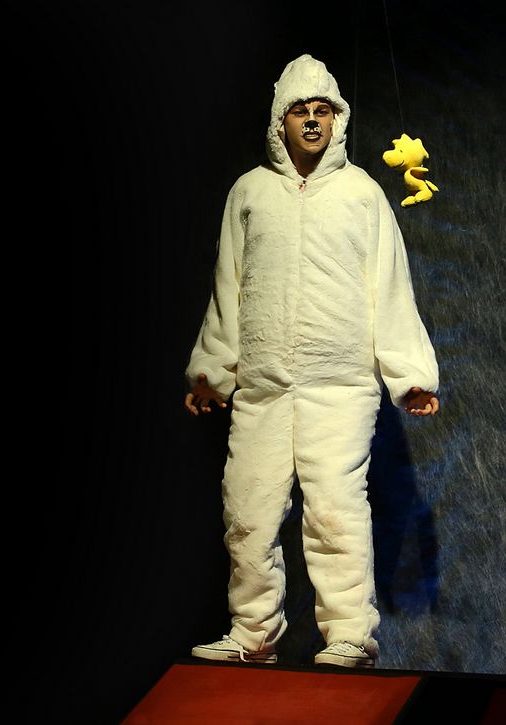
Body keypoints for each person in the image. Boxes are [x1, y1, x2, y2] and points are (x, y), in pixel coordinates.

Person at [183, 54, 440, 669]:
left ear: (338, 119)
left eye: (323, 110)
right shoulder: (250, 192)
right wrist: (211, 371)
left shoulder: (362, 193)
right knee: (247, 509)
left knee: (335, 513)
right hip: (264, 387)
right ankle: (252, 634)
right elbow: (229, 286)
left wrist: (410, 376)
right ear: (281, 120)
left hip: (341, 386)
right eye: (300, 110)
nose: (313, 121)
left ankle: (351, 636)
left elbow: (390, 286)